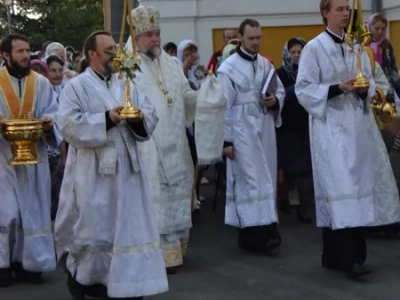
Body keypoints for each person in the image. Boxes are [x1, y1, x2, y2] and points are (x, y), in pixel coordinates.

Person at [54, 30, 168, 299]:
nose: (115, 54)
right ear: (92, 54)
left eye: (116, 48)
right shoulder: (76, 86)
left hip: (128, 170)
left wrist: (137, 118)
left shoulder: (126, 80)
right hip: (93, 171)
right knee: (96, 229)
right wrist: (107, 118)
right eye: (108, 49)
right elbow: (68, 126)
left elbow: (149, 113)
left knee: (129, 228)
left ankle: (129, 286)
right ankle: (85, 280)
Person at [295, 0, 397, 278]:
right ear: (325, 12)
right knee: (340, 190)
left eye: (347, 9)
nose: (345, 14)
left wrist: (366, 91)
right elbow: (303, 88)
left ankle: (331, 256)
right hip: (330, 128)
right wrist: (338, 88)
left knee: (354, 189)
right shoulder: (314, 48)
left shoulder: (357, 46)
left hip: (358, 128)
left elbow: (371, 82)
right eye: (339, 9)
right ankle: (351, 259)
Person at [125, 5, 198, 274]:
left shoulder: (170, 63)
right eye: (148, 34)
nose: (155, 39)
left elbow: (183, 94)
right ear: (136, 37)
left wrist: (203, 97)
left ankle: (176, 250)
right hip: (149, 145)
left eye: (157, 33)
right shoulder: (127, 66)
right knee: (154, 196)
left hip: (176, 141)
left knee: (177, 192)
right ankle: (156, 255)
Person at [217, 18, 285, 253]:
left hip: (264, 127)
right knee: (250, 182)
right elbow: (222, 106)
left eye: (259, 38)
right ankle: (251, 235)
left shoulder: (266, 65)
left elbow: (280, 91)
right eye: (251, 38)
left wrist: (275, 100)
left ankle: (266, 228)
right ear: (241, 38)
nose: (256, 42)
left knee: (265, 178)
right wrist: (226, 141)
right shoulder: (228, 69)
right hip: (241, 129)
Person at [0, 34, 61, 287]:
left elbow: (55, 111)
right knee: (7, 213)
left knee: (33, 212)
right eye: (20, 52)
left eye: (27, 51)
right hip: (3, 159)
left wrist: (48, 124)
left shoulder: (41, 83)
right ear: (6, 55)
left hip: (34, 159)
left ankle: (30, 264)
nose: (26, 56)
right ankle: (3, 264)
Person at [276, 37, 314, 224]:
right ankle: (287, 198)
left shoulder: (311, 72)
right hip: (287, 127)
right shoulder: (280, 74)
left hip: (307, 125)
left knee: (306, 169)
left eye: (300, 52)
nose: (297, 55)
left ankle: (304, 208)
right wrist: (297, 89)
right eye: (293, 52)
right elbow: (278, 96)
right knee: (290, 168)